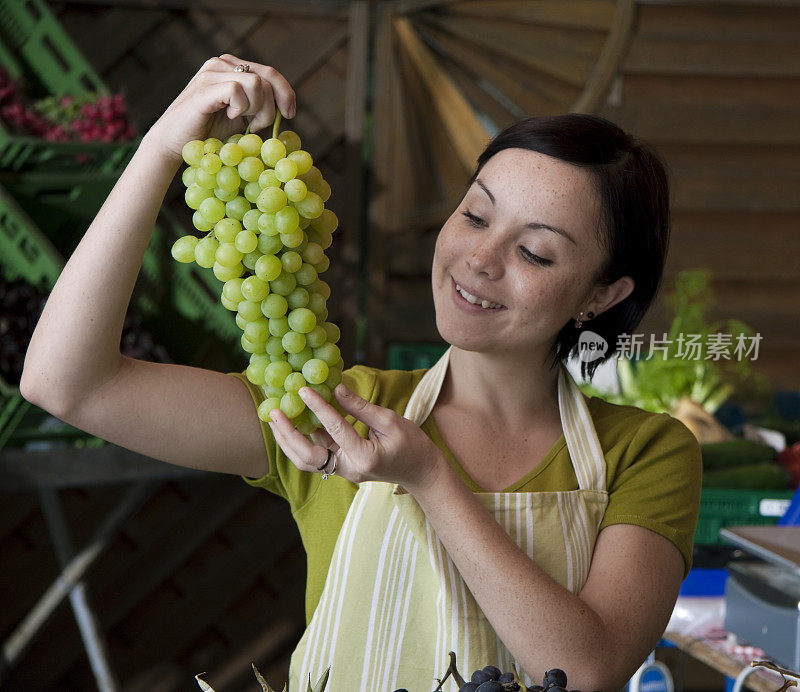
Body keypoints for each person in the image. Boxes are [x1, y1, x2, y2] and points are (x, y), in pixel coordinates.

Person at [21, 55, 701, 692]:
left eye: (536, 251)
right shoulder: (338, 409)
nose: (481, 259)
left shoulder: (646, 453)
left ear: (601, 296)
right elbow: (66, 383)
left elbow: (585, 669)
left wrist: (427, 477)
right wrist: (162, 150)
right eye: (475, 215)